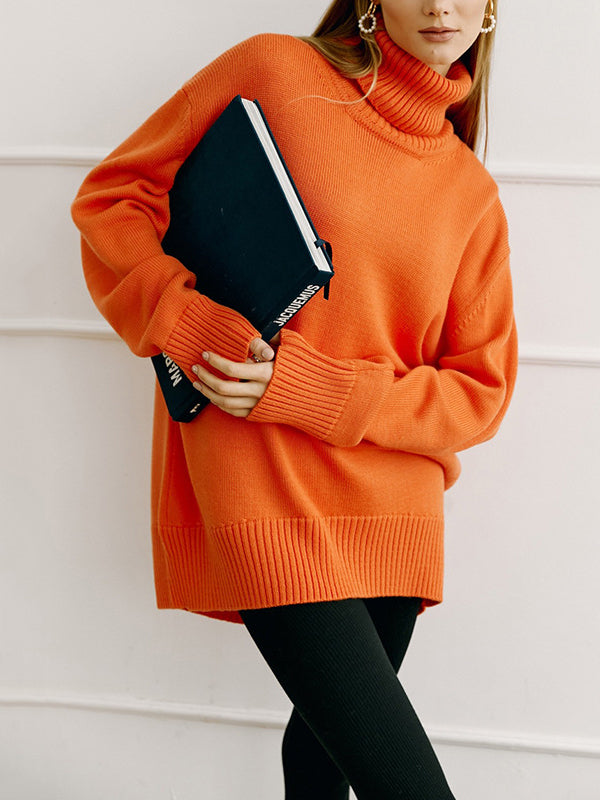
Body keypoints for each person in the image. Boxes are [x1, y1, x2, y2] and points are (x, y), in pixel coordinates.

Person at [71, 1, 517, 797]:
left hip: (394, 510)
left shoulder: (471, 191)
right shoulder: (276, 72)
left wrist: (316, 389)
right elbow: (113, 198)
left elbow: (480, 391)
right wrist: (190, 325)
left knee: (320, 766)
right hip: (265, 482)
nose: (441, 5)